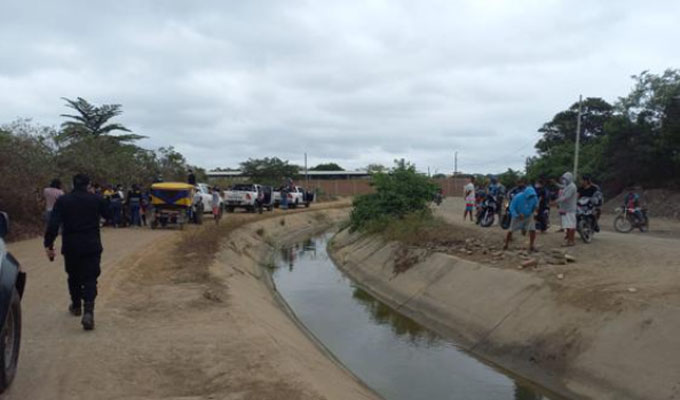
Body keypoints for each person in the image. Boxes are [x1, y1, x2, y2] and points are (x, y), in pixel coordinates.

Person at [44, 174, 110, 331]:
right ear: (88, 185)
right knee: (90, 278)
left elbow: (53, 224)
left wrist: (48, 244)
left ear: (72, 184)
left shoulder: (63, 200)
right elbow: (109, 214)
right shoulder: (96, 199)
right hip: (92, 245)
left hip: (71, 245)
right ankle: (88, 311)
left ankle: (76, 305)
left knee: (73, 276)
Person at [503, 185, 539, 252]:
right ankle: (506, 244)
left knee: (532, 230)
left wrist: (534, 212)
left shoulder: (534, 197)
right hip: (517, 216)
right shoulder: (517, 197)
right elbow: (511, 207)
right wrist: (517, 215)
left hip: (528, 215)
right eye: (530, 195)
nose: (531, 197)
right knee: (511, 230)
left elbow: (536, 205)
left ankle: (531, 245)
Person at [555, 172, 578, 246]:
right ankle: (569, 239)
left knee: (571, 226)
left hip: (570, 209)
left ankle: (571, 241)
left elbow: (566, 197)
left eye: (565, 179)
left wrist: (555, 201)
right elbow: (561, 186)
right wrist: (555, 183)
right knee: (567, 225)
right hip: (565, 209)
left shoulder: (572, 186)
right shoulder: (567, 186)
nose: (563, 180)